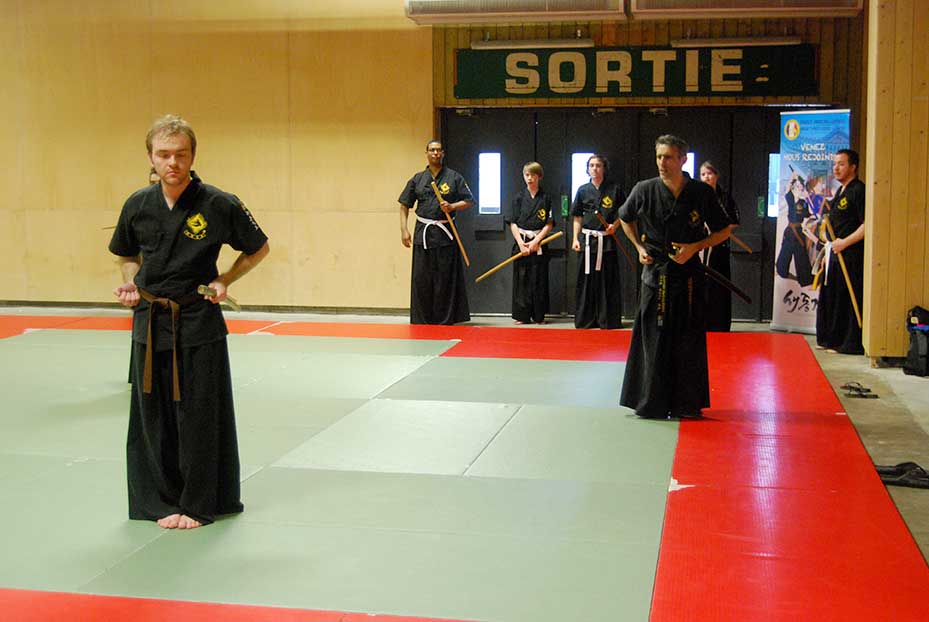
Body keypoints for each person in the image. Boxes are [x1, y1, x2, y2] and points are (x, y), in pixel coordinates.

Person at [109, 115, 270, 529]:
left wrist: (225, 279)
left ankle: (199, 503)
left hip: (197, 319)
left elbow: (258, 247)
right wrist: (130, 283)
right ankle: (158, 501)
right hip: (150, 320)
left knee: (200, 414)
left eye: (180, 154)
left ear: (193, 156)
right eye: (163, 154)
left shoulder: (218, 203)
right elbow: (126, 255)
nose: (172, 163)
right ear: (151, 157)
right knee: (152, 416)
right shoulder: (137, 204)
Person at [618, 135, 734, 419]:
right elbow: (625, 218)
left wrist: (695, 247)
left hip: (688, 275)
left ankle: (686, 403)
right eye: (659, 156)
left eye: (668, 157)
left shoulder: (701, 192)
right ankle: (651, 402)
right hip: (655, 273)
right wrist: (639, 247)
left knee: (687, 339)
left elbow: (724, 230)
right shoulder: (644, 189)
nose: (662, 162)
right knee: (653, 338)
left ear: (683, 159)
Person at [399, 140, 474, 324]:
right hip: (423, 234)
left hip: (445, 235)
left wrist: (452, 206)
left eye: (438, 150)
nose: (435, 153)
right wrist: (404, 230)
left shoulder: (454, 177)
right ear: (426, 153)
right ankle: (422, 319)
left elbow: (469, 201)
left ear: (443, 153)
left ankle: (444, 319)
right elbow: (404, 205)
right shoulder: (417, 179)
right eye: (432, 150)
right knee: (422, 279)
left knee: (444, 278)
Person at [816, 149, 865, 354]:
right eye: (835, 164)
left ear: (853, 167)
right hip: (835, 253)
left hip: (850, 254)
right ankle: (830, 339)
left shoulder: (858, 190)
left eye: (841, 164)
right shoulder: (840, 191)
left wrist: (844, 243)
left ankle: (847, 343)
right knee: (831, 296)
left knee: (845, 298)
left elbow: (867, 224)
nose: (836, 168)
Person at [571, 154, 626, 329]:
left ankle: (607, 319)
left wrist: (614, 226)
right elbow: (577, 217)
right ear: (587, 169)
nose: (594, 168)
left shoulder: (614, 189)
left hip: (606, 241)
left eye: (598, 165)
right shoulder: (582, 190)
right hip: (587, 241)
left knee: (606, 281)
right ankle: (585, 319)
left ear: (604, 168)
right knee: (586, 281)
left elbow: (624, 213)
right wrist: (575, 239)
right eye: (591, 165)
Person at [505, 162, 556, 324]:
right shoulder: (518, 198)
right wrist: (521, 244)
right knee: (522, 280)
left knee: (539, 279)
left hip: (539, 242)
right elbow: (512, 222)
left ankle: (539, 315)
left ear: (539, 176)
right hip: (522, 241)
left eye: (533, 175)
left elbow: (549, 223)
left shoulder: (546, 198)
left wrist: (536, 241)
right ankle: (522, 316)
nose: (529, 178)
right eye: (527, 175)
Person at [699, 161, 741, 332]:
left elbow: (735, 220)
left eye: (709, 173)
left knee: (719, 283)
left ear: (716, 175)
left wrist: (719, 229)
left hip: (719, 246)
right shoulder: (696, 194)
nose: (706, 177)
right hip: (700, 246)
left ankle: (720, 324)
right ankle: (701, 323)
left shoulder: (724, 196)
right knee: (702, 283)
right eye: (703, 174)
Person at [776, 170, 817, 287]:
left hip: (799, 232)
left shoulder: (804, 202)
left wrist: (808, 197)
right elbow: (787, 189)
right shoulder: (790, 199)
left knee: (801, 255)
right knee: (785, 252)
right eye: (797, 187)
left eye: (801, 187)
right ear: (794, 188)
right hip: (790, 231)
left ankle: (805, 279)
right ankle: (781, 271)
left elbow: (809, 213)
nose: (799, 189)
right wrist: (792, 177)